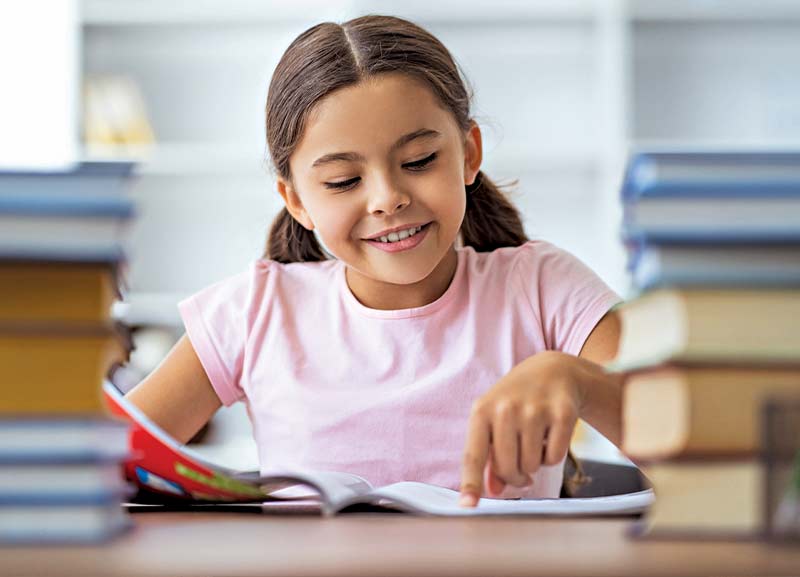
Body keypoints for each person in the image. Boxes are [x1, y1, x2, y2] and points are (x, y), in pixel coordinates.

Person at [126, 14, 625, 509]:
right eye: (344, 181)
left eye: (419, 161)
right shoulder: (250, 314)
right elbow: (98, 467)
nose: (387, 199)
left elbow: (695, 435)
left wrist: (580, 382)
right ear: (296, 199)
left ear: (469, 154)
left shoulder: (543, 289)